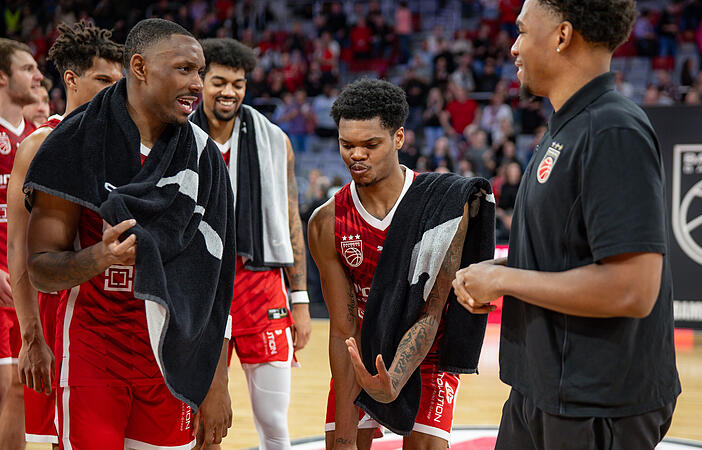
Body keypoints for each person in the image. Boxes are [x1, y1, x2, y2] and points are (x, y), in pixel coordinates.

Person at [452, 1, 681, 448]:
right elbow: (564, 257)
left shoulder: (613, 130)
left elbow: (632, 289)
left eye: (522, 31)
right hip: (541, 389)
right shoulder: (567, 127)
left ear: (562, 35)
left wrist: (504, 280)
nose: (513, 47)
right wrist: (496, 276)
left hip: (595, 405)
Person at [24, 19, 234, 449]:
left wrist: (216, 381)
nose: (197, 84)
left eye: (199, 71)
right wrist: (98, 257)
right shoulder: (72, 142)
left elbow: (215, 282)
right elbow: (40, 268)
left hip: (170, 356)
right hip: (94, 349)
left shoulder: (204, 156)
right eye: (184, 69)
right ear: (139, 67)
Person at [307, 79, 488, 450]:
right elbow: (343, 330)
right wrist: (344, 436)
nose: (357, 155)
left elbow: (432, 311)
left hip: (427, 352)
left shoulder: (442, 207)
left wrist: (394, 379)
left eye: (370, 144)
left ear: (399, 138)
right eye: (347, 145)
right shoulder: (327, 222)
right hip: (362, 348)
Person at [189, 37, 312, 450]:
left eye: (237, 84)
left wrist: (300, 299)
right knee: (201, 426)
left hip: (261, 285)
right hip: (202, 286)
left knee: (274, 423)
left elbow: (291, 218)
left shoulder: (275, 139)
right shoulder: (178, 135)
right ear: (201, 82)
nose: (229, 92)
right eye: (219, 82)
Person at [9, 22, 124, 448]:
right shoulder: (40, 144)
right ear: (72, 79)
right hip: (58, 312)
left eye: (120, 82)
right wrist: (31, 336)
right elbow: (18, 248)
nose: (116, 91)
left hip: (119, 321)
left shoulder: (132, 143)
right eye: (104, 80)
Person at [0, 36, 43, 449]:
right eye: (27, 68)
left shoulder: (36, 138)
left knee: (19, 388)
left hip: (23, 287)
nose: (38, 76)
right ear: (2, 76)